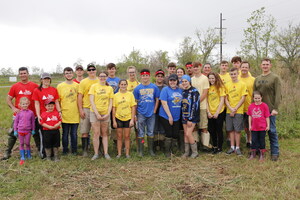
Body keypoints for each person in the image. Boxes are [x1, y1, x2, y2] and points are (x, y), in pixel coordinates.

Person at [2, 67, 40, 160]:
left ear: (28, 74)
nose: (23, 75)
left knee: (36, 134)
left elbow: (39, 99)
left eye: (24, 73)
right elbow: (8, 99)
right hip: (19, 116)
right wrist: (13, 108)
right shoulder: (15, 86)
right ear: (19, 75)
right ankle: (8, 152)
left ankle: (40, 151)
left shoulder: (34, 85)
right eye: (21, 73)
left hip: (32, 115)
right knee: (12, 134)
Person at [254, 58, 281, 161]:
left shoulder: (275, 78)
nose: (265, 66)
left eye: (267, 64)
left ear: (270, 65)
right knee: (258, 131)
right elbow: (254, 94)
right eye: (263, 64)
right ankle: (258, 150)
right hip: (258, 111)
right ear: (261, 66)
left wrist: (275, 108)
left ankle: (275, 152)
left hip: (270, 110)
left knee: (272, 131)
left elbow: (278, 94)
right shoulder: (257, 78)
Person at [32, 72, 61, 158]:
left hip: (53, 115)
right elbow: (36, 104)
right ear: (41, 80)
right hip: (43, 116)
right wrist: (38, 115)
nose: (46, 80)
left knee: (54, 134)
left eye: (48, 79)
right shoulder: (37, 90)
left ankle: (53, 153)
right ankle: (44, 153)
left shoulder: (53, 90)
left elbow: (56, 101)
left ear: (50, 80)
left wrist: (59, 112)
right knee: (44, 136)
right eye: (44, 79)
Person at [133, 69, 160, 157]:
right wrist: (135, 114)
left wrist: (155, 110)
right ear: (141, 76)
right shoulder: (137, 88)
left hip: (151, 113)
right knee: (141, 132)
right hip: (141, 113)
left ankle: (150, 150)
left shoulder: (154, 87)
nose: (145, 77)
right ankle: (141, 151)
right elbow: (135, 102)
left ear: (149, 76)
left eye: (147, 75)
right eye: (143, 76)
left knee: (150, 132)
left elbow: (157, 99)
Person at [89, 71, 114, 160]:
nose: (102, 78)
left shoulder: (109, 88)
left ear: (107, 77)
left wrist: (108, 113)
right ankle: (96, 153)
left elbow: (111, 102)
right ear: (98, 77)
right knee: (96, 133)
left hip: (105, 113)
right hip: (94, 113)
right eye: (101, 76)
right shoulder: (94, 87)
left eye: (104, 76)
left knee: (105, 133)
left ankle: (106, 153)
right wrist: (97, 113)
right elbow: (91, 100)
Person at [57, 67, 80, 155]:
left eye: (70, 73)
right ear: (64, 75)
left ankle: (74, 150)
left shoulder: (77, 85)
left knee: (74, 134)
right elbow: (58, 101)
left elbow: (79, 99)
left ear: (73, 74)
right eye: (67, 73)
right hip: (65, 113)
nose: (68, 74)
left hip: (75, 113)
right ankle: (65, 150)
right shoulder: (60, 86)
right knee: (65, 133)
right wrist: (59, 111)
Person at [225, 67, 247, 156]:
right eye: (231, 74)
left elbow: (243, 98)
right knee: (230, 129)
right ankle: (232, 147)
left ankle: (238, 147)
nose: (233, 75)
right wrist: (230, 108)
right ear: (229, 75)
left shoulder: (242, 84)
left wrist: (235, 109)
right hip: (229, 111)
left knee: (237, 130)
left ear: (238, 74)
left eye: (234, 74)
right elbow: (225, 98)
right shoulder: (227, 84)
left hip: (238, 111)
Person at [159, 74, 182, 157]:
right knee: (169, 133)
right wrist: (169, 116)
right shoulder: (165, 90)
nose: (172, 82)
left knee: (175, 134)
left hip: (177, 116)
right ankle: (167, 151)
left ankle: (173, 150)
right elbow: (164, 103)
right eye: (171, 80)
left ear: (177, 81)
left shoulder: (180, 90)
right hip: (165, 115)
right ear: (168, 81)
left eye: (174, 80)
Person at [78, 63, 99, 156]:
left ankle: (99, 150)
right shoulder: (83, 82)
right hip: (86, 108)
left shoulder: (100, 80)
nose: (91, 71)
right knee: (85, 131)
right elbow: (79, 96)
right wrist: (80, 110)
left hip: (98, 109)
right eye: (89, 70)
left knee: (98, 131)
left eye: (93, 69)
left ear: (96, 70)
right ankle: (85, 150)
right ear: (87, 71)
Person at [112, 79, 136, 158]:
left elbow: (133, 107)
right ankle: (119, 153)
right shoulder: (115, 95)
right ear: (119, 85)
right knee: (119, 136)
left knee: (127, 136)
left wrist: (132, 119)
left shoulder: (130, 95)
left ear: (127, 85)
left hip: (128, 118)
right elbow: (113, 109)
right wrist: (114, 121)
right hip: (118, 118)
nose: (123, 86)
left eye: (124, 84)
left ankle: (127, 153)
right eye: (121, 84)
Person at [191, 61, 210, 150]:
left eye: (197, 67)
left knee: (203, 126)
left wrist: (197, 102)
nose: (196, 68)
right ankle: (195, 144)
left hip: (202, 106)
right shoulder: (191, 79)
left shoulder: (204, 78)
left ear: (200, 67)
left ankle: (205, 145)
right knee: (194, 126)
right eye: (194, 67)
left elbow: (205, 93)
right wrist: (193, 104)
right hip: (193, 107)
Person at [247, 91, 270, 162]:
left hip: (262, 127)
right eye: (255, 98)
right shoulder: (251, 106)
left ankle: (261, 154)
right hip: (254, 127)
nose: (257, 100)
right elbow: (250, 116)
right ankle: (253, 153)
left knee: (261, 140)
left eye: (258, 98)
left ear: (261, 97)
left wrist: (268, 125)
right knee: (253, 140)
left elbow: (267, 117)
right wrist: (250, 125)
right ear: (253, 98)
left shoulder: (264, 106)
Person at [181, 75, 200, 158]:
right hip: (184, 115)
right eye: (183, 81)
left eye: (186, 81)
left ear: (189, 82)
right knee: (185, 134)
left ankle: (195, 152)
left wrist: (190, 119)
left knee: (189, 133)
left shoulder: (194, 91)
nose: (184, 83)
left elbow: (194, 106)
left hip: (192, 117)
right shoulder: (183, 92)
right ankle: (186, 152)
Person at [207, 72, 226, 154]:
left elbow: (222, 100)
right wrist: (208, 112)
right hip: (210, 112)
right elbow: (206, 101)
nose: (211, 80)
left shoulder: (220, 87)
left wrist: (217, 112)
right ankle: (214, 146)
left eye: (213, 78)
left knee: (219, 130)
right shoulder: (208, 87)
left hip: (219, 111)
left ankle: (219, 147)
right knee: (212, 130)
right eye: (210, 78)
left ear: (216, 78)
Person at [13, 97, 35, 165]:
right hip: (20, 131)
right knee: (21, 143)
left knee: (27, 143)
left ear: (28, 104)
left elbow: (33, 122)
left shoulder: (31, 113)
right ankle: (22, 156)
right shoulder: (18, 113)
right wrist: (15, 130)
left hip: (28, 131)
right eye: (23, 104)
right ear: (20, 105)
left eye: (26, 104)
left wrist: (33, 129)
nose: (25, 105)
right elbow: (16, 122)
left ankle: (28, 154)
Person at [239, 61, 255, 148]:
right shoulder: (236, 78)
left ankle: (250, 140)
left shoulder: (253, 79)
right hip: (239, 107)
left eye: (246, 67)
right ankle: (245, 139)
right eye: (243, 67)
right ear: (240, 68)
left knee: (250, 125)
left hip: (250, 106)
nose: (244, 69)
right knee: (244, 126)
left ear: (249, 69)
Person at [106, 63, 120, 148]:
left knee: (115, 123)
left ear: (115, 70)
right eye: (110, 69)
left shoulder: (118, 80)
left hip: (116, 104)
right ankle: (104, 142)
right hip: (106, 104)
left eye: (113, 68)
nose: (111, 70)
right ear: (108, 70)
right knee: (106, 123)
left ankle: (116, 141)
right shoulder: (105, 79)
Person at [153, 69, 166, 152]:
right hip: (154, 110)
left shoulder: (165, 87)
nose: (160, 78)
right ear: (155, 77)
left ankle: (161, 145)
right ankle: (154, 145)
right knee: (154, 128)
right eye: (158, 76)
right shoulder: (152, 86)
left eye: (161, 76)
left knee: (162, 128)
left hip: (164, 110)